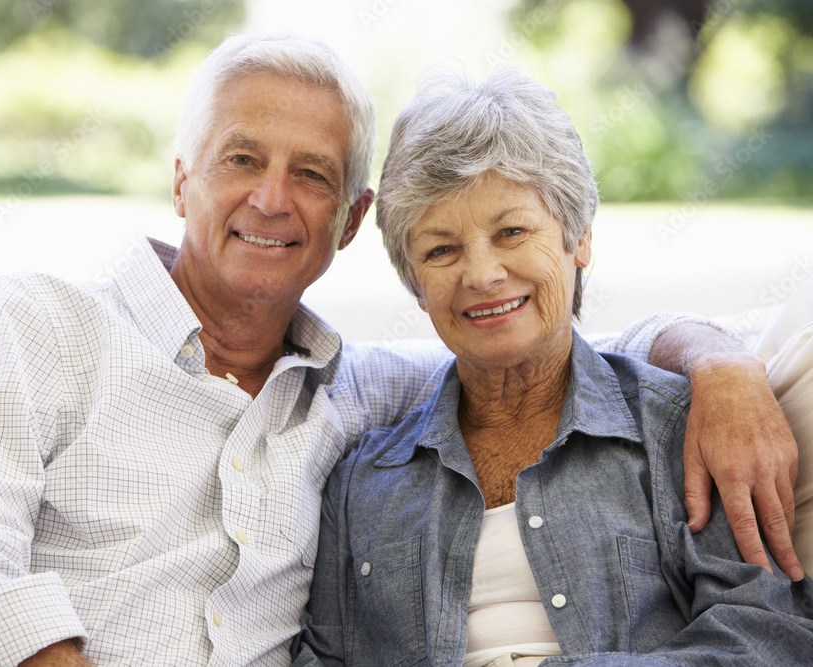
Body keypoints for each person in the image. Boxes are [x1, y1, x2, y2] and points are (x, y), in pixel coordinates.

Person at [0, 34, 801, 667]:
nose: (270, 200)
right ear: (181, 179)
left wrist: (715, 360)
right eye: (242, 159)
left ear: (347, 222)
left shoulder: (358, 395)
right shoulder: (36, 329)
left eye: (310, 175)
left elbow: (543, 355)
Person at [292, 68, 813, 667]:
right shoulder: (362, 479)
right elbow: (322, 656)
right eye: (441, 250)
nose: (482, 275)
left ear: (579, 238)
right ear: (416, 285)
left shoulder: (678, 431)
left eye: (511, 231)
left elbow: (771, 632)